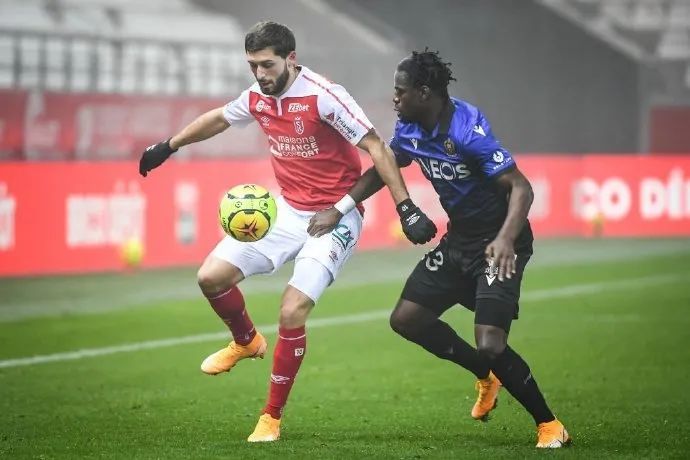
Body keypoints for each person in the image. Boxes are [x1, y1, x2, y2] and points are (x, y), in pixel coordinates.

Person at [138, 22, 436, 442]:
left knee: (292, 310)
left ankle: (271, 418)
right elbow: (220, 118)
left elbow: (376, 147)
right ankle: (246, 341)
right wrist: (169, 145)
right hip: (287, 212)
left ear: (290, 59)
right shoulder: (257, 97)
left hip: (335, 217)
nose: (260, 74)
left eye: (267, 65)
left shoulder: (324, 96)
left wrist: (405, 207)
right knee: (210, 277)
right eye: (252, 66)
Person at [308, 49, 571, 449]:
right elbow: (385, 168)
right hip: (459, 241)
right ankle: (486, 375)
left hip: (499, 244)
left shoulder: (467, 131)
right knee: (407, 319)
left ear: (424, 93)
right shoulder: (410, 128)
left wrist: (504, 239)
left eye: (401, 91)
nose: (394, 98)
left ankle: (549, 425)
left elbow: (521, 187)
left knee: (491, 343)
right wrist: (339, 208)